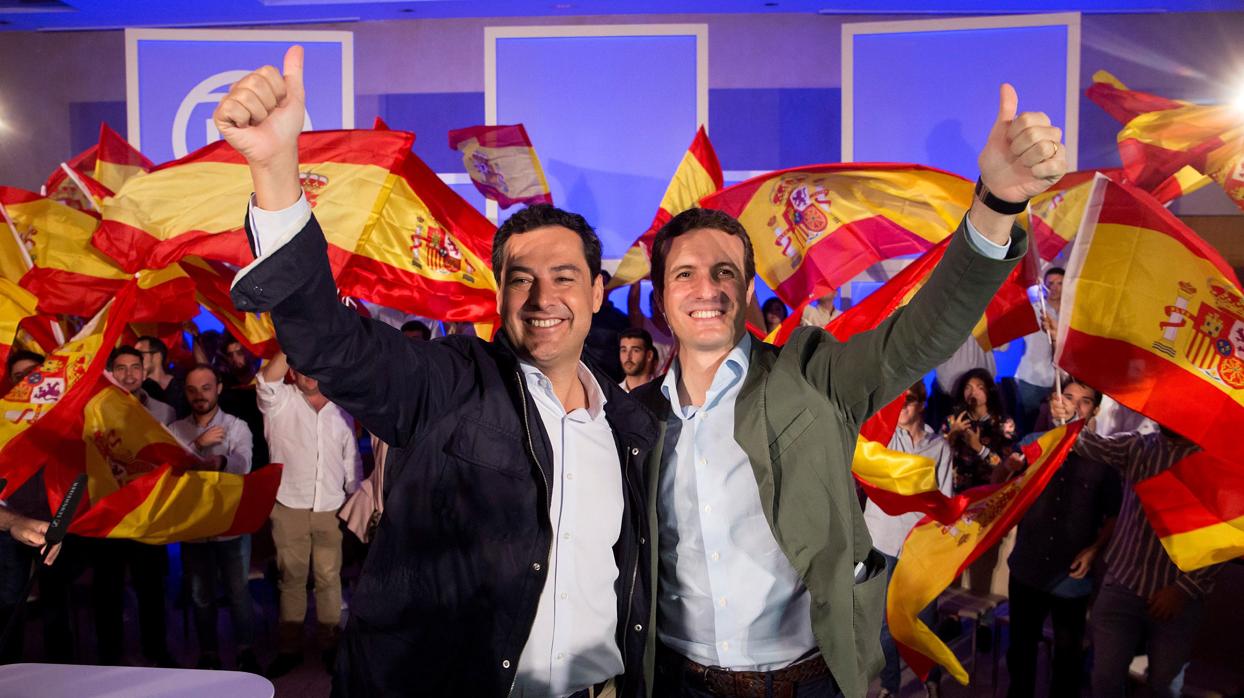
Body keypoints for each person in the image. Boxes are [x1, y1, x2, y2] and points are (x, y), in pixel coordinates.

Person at [217, 47, 657, 697]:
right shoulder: (450, 386)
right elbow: (331, 342)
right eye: (521, 279)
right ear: (498, 296)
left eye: (565, 277)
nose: (543, 298)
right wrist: (277, 170)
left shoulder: (631, 427)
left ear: (597, 292)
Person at [633, 81, 1066, 698]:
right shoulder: (631, 420)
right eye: (685, 274)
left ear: (748, 291)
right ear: (660, 301)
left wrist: (998, 202)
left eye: (725, 271)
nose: (707, 288)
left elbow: (920, 335)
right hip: (679, 684)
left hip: (808, 681)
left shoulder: (812, 374)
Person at [1048, 398, 1222, 698]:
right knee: (1104, 679)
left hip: (1176, 596)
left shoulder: (1214, 466)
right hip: (1123, 585)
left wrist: (1183, 589)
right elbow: (1090, 445)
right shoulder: (1140, 446)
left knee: (1164, 686)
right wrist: (1066, 420)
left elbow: (1223, 538)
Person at [998, 378, 1120, 698]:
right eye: (1068, 396)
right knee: (1021, 651)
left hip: (1071, 577)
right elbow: (998, 484)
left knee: (1067, 658)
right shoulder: (1034, 442)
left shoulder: (1103, 456)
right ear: (1055, 400)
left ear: (1095, 410)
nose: (1074, 405)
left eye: (1084, 401)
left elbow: (1114, 514)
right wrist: (1008, 467)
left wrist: (1095, 550)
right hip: (1027, 567)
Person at [257, 351, 362, 678]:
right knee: (292, 579)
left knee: (329, 578)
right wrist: (294, 339)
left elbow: (351, 456)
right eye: (301, 367)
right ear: (292, 371)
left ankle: (330, 646)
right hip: (289, 504)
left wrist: (354, 496)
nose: (309, 373)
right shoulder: (279, 401)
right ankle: (289, 649)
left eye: (315, 365)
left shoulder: (341, 408)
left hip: (331, 505)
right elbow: (265, 380)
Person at [168, 364, 260, 673]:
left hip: (229, 522)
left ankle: (246, 650)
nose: (200, 395)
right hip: (194, 524)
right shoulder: (175, 429)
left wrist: (220, 460)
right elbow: (168, 470)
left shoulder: (236, 426)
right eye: (192, 390)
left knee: (238, 592)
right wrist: (197, 446)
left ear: (218, 388)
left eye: (206, 388)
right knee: (200, 595)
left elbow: (244, 465)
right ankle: (208, 653)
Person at [862, 382, 952, 698]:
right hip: (882, 540)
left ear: (922, 404)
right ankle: (890, 685)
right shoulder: (882, 438)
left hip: (919, 546)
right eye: (896, 399)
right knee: (883, 624)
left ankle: (931, 678)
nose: (901, 406)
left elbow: (945, 498)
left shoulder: (939, 446)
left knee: (924, 620)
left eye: (908, 400)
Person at [944, 367, 1013, 493]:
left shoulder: (1005, 424)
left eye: (979, 387)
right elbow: (936, 456)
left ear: (989, 391)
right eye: (968, 387)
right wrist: (951, 435)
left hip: (990, 491)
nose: (973, 392)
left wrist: (979, 448)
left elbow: (1007, 467)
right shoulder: (953, 421)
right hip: (958, 492)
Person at [1011, 267, 1062, 435]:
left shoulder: (1070, 314)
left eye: (1059, 283)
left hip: (1058, 381)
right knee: (1027, 429)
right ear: (1043, 286)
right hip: (1031, 378)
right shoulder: (1035, 309)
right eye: (1050, 284)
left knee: (1050, 431)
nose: (1054, 288)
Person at [108, 346, 175, 425]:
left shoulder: (165, 412)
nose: (129, 374)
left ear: (144, 374)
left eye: (135, 368)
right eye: (121, 368)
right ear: (112, 375)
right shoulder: (100, 411)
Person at [135, 335, 190, 419]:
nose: (135, 359)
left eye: (140, 354)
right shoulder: (137, 390)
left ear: (157, 357)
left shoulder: (183, 386)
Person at [629, 283, 675, 376]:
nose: (659, 306)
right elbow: (633, 305)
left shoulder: (677, 327)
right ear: (651, 304)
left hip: (673, 380)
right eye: (656, 302)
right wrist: (636, 279)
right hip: (649, 380)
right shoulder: (644, 324)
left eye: (662, 301)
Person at [618, 327, 656, 392]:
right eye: (624, 350)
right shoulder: (612, 394)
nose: (628, 357)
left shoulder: (663, 393)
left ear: (649, 355)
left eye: (635, 350)